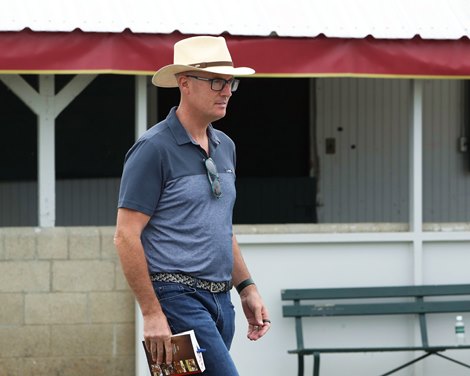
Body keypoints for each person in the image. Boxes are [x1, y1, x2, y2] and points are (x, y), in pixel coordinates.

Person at [114, 35, 270, 375]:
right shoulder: (152, 149)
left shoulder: (225, 146)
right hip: (175, 298)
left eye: (230, 82)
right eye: (217, 81)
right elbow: (126, 236)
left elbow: (221, 228)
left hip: (220, 301)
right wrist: (153, 313)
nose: (226, 91)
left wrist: (247, 288)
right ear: (184, 83)